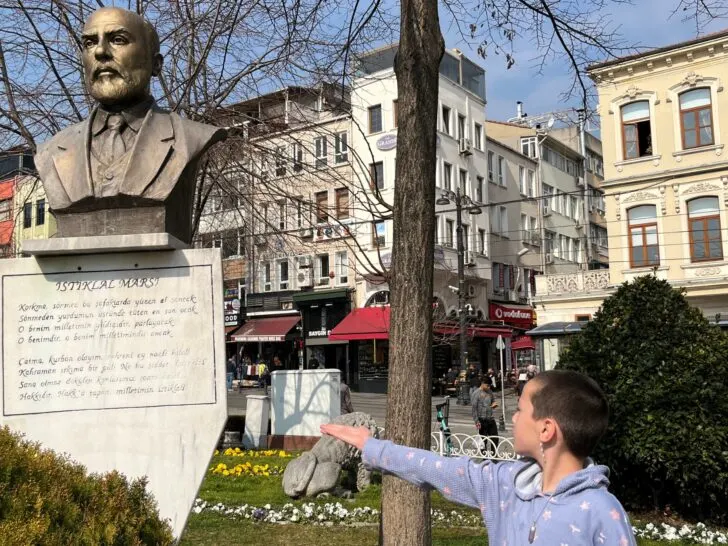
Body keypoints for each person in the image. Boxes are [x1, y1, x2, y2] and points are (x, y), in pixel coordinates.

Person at [320, 370, 637, 546]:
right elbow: (437, 468)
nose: (512, 418)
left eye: (521, 410)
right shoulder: (505, 485)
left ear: (546, 430)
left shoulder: (601, 511)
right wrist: (373, 447)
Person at [35, 7, 226, 244]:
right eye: (89, 43)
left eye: (118, 40)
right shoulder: (51, 152)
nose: (101, 52)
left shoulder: (191, 138)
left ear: (155, 64)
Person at [471, 379, 499, 455]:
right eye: (487, 385)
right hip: (481, 419)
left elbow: (493, 400)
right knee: (483, 440)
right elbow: (474, 409)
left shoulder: (490, 392)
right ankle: (484, 457)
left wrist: (494, 404)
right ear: (483, 383)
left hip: (490, 418)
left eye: (490, 386)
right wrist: (476, 421)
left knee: (495, 438)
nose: (489, 387)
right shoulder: (476, 393)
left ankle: (494, 456)